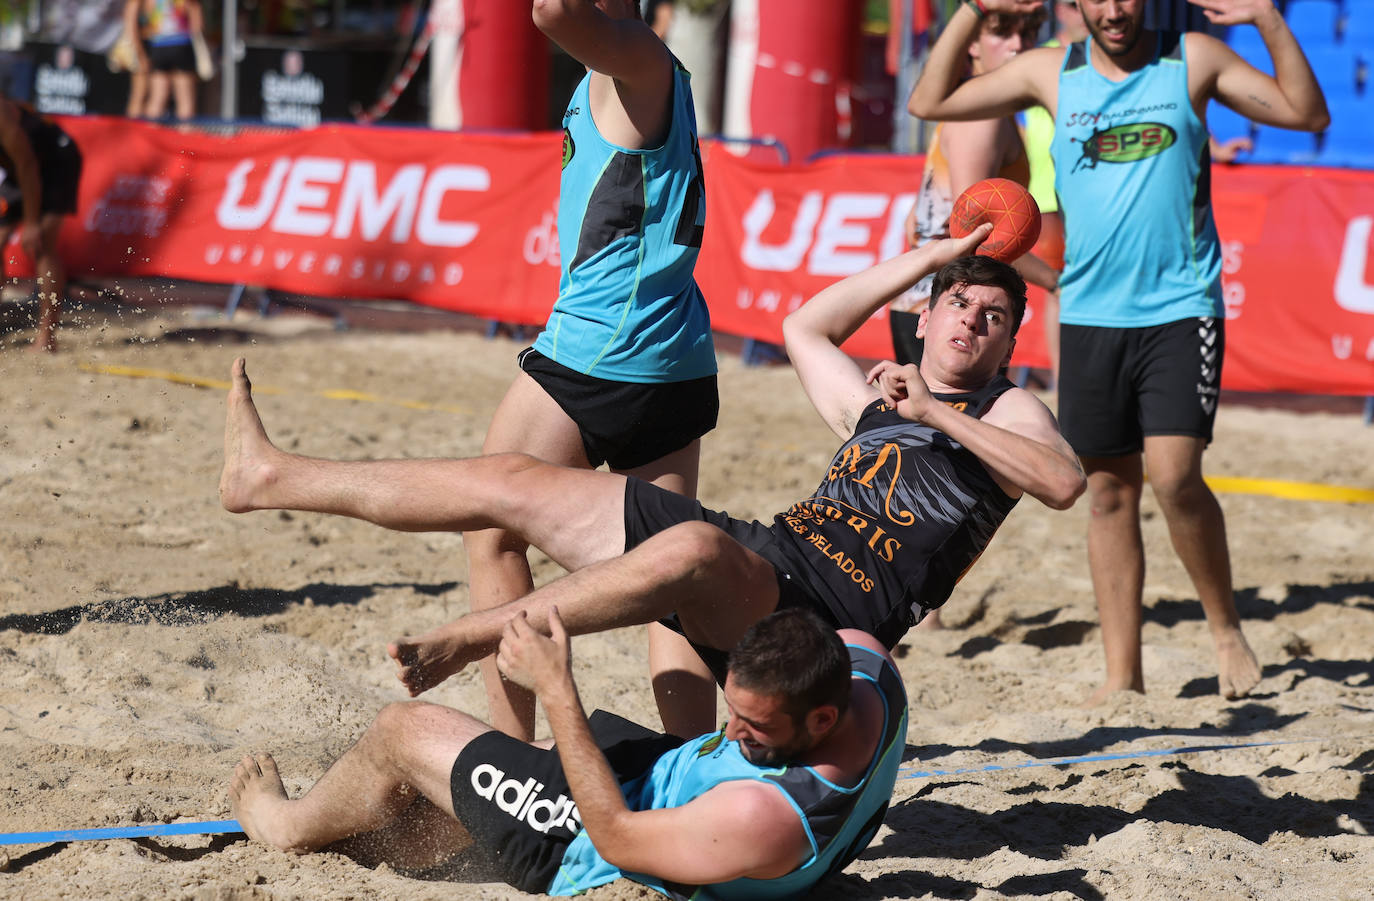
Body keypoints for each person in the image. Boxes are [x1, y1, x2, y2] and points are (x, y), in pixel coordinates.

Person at [220, 228, 1085, 702]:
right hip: (769, 557)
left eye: (995, 315)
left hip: (827, 614)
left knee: (694, 558)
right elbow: (801, 328)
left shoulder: (1004, 410)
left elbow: (1062, 482)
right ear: (925, 317)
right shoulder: (872, 402)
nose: (973, 321)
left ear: (1012, 340)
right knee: (511, 481)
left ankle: (477, 636)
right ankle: (271, 478)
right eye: (958, 304)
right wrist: (931, 256)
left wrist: (932, 409)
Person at [908, 0, 1329, 703]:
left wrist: (1270, 20)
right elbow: (928, 99)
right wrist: (974, 10)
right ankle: (1121, 676)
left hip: (1180, 307)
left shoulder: (1190, 58)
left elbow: (1306, 113)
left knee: (1174, 477)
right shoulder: (1051, 72)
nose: (1113, 11)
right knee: (1106, 492)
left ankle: (1225, 625)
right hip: (1091, 313)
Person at [461, 0, 716, 741]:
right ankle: (696, 758)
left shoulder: (635, 61)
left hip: (603, 349)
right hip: (674, 351)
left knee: (492, 531)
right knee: (666, 577)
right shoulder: (625, 62)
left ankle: (511, 752)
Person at [229, 608, 908, 897]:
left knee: (401, 729)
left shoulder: (768, 814)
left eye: (755, 727)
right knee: (468, 785)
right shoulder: (866, 665)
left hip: (592, 836)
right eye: (733, 710)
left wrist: (558, 687)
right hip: (658, 773)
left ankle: (282, 825)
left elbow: (615, 835)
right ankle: (381, 827)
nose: (732, 731)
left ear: (821, 717)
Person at [893, 3, 1058, 367]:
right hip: (948, 310)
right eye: (1003, 33)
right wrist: (1056, 281)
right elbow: (974, 232)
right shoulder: (984, 117)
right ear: (972, 45)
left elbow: (914, 222)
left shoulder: (969, 105)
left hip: (932, 303)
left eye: (1027, 33)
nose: (1018, 44)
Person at [1017, 0, 1090, 385]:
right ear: (1061, 9)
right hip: (1045, 193)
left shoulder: (1105, 60)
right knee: (1060, 292)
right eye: (1076, 4)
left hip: (1091, 190)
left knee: (1086, 289)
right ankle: (1067, 387)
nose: (1083, 13)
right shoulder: (1038, 58)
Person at [0, 97, 77, 352]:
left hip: (56, 162)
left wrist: (32, 223)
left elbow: (28, 166)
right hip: (18, 169)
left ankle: (47, 337)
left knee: (42, 244)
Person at [126, 0, 203, 121]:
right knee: (185, 98)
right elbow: (198, 25)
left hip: (158, 46)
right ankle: (184, 139)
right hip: (181, 45)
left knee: (157, 96)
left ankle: (150, 138)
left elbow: (145, 23)